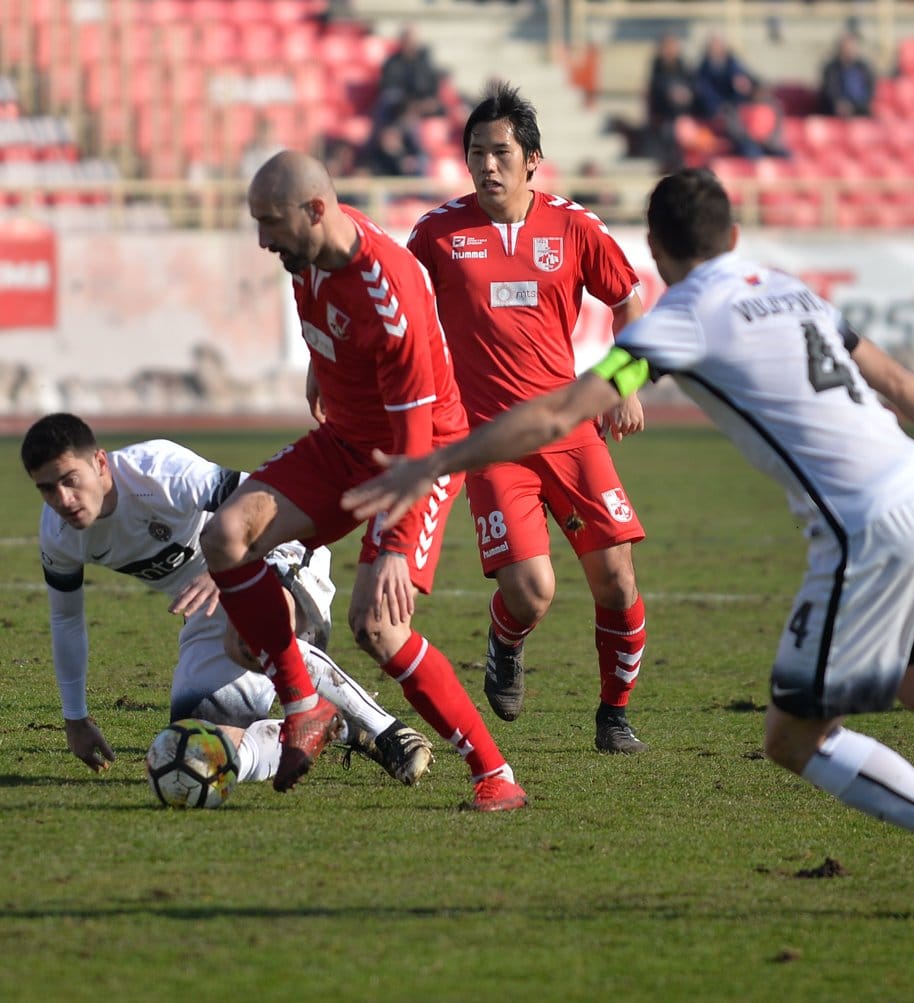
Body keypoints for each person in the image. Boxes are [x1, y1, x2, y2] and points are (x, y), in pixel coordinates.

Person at [343, 167, 914, 921]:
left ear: (658, 252)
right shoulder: (787, 287)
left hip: (863, 525)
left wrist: (440, 457)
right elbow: (890, 374)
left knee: (792, 734)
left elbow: (561, 413)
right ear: (733, 236)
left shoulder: (678, 321)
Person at [198, 150, 527, 810]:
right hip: (345, 441)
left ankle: (494, 774)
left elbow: (412, 435)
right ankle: (305, 706)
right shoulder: (310, 254)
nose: (262, 239)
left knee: (376, 624)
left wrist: (395, 550)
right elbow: (326, 324)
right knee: (226, 535)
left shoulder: (387, 290)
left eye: (271, 222)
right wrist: (323, 370)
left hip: (419, 453)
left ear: (316, 211)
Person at [406, 82, 651, 755]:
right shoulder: (437, 234)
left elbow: (629, 299)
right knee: (532, 591)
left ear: (533, 159)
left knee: (617, 577)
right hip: (488, 441)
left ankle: (613, 714)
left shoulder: (574, 227)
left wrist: (624, 383)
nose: (487, 165)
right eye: (476, 153)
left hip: (570, 427)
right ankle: (505, 643)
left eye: (501, 152)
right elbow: (392, 303)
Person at [20, 413, 433, 789]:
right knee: (199, 752)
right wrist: (74, 718)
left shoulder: (158, 471)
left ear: (100, 463)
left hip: (279, 548)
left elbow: (263, 505)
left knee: (250, 635)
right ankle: (336, 726)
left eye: (69, 480)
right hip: (212, 604)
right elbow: (66, 622)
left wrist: (231, 565)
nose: (63, 500)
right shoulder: (58, 536)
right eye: (46, 489)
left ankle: (390, 733)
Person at [645, 32, 697, 171]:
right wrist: (670, 93)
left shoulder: (683, 66)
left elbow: (693, 86)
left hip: (683, 115)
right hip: (665, 117)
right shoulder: (657, 68)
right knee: (670, 133)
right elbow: (657, 89)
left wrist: (686, 94)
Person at [818, 32, 876, 118]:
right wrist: (839, 103)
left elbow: (869, 91)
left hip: (861, 109)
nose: (850, 50)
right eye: (847, 47)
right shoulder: (831, 69)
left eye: (852, 47)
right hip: (836, 111)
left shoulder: (863, 68)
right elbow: (830, 91)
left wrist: (856, 106)